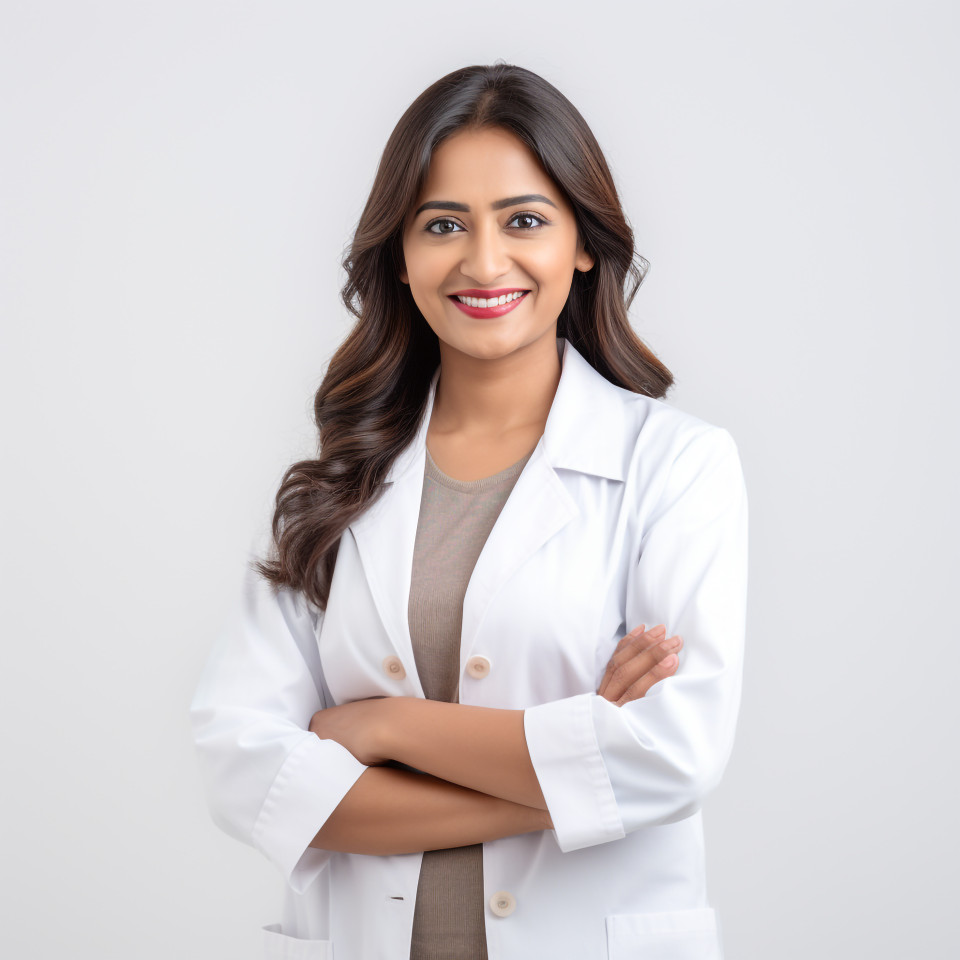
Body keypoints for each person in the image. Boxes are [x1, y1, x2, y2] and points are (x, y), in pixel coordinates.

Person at [190, 62, 748, 960]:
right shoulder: (335, 485)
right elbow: (246, 772)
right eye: (443, 224)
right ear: (401, 258)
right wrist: (566, 769)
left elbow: (671, 755)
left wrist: (383, 727)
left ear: (583, 242)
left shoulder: (675, 466)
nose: (484, 262)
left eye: (524, 220)